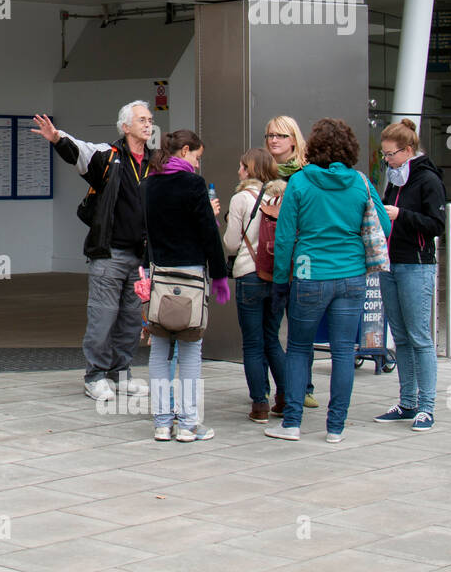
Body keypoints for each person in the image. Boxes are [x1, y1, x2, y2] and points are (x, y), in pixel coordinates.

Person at [267, 119, 391, 443]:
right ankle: (335, 427)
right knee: (342, 353)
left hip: (309, 275)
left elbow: (284, 237)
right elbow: (384, 229)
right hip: (352, 277)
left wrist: (281, 281)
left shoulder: (300, 182)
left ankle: (291, 423)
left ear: (313, 148)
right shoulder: (361, 183)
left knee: (297, 348)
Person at [33, 103, 154, 401]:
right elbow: (80, 152)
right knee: (103, 316)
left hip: (141, 257)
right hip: (109, 253)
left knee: (129, 318)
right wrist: (57, 138)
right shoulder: (108, 157)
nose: (148, 125)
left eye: (150, 120)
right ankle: (95, 375)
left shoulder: (156, 162)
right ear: (125, 127)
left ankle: (121, 373)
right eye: (141, 120)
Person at [141, 130, 229, 442]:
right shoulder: (193, 185)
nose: (197, 163)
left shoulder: (149, 184)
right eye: (197, 157)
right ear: (186, 151)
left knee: (160, 348)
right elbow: (208, 232)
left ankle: (162, 423)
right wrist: (220, 275)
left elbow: (147, 231)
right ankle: (189, 424)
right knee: (191, 348)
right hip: (191, 275)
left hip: (160, 273)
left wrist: (144, 272)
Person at [373, 119, 445, 432]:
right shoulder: (394, 179)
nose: (386, 160)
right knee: (400, 336)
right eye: (384, 154)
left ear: (408, 150)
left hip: (416, 264)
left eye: (390, 154)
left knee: (419, 337)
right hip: (391, 262)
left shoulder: (427, 179)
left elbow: (436, 225)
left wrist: (401, 215)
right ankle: (407, 402)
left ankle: (426, 406)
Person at [222, 147, 288, 422]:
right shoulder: (283, 195)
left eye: (241, 166)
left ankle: (259, 405)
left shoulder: (240, 199)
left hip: (249, 275)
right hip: (276, 276)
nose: (238, 170)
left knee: (252, 344)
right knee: (272, 339)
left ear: (249, 169)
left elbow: (232, 243)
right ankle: (286, 397)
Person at [264, 114, 318, 410]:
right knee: (270, 331)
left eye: (280, 135)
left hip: (299, 262)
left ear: (294, 140)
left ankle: (303, 387)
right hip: (267, 262)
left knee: (299, 329)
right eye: (270, 135)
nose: (273, 140)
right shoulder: (262, 170)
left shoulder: (305, 173)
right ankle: (282, 389)